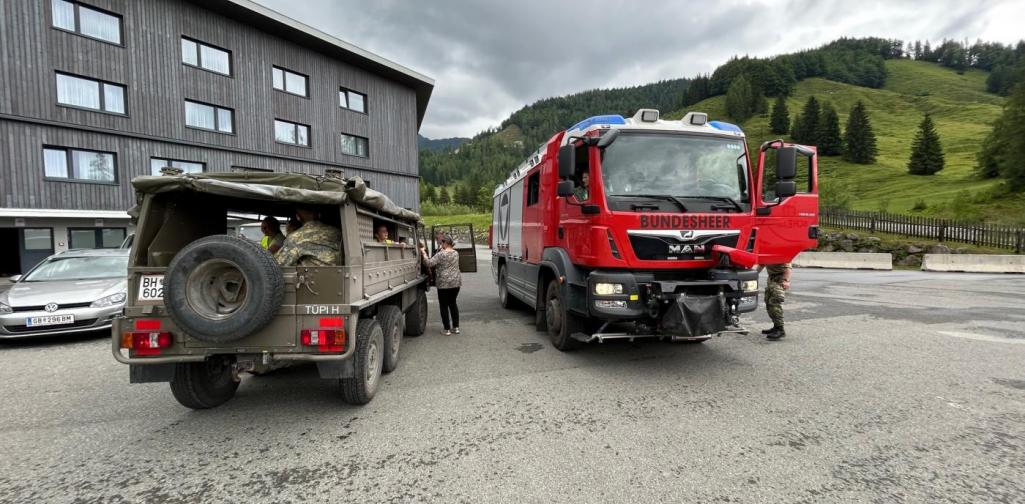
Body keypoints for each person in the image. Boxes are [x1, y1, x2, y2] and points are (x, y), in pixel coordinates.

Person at [422, 234, 461, 335]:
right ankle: (456, 328)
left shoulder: (441, 254)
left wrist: (423, 253)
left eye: (442, 242)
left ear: (445, 243)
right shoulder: (456, 253)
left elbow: (429, 263)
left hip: (443, 283)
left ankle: (446, 329)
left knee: (443, 305)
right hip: (456, 282)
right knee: (453, 304)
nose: (440, 244)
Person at [275, 207, 342, 267]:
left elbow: (278, 264)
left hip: (312, 279)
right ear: (318, 214)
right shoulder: (337, 232)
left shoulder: (296, 237)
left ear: (298, 217)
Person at [762, 263, 792, 340]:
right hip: (771, 279)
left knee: (774, 303)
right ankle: (776, 326)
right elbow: (761, 265)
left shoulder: (780, 252)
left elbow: (788, 268)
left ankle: (780, 329)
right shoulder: (766, 252)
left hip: (780, 279)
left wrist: (786, 281)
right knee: (768, 302)